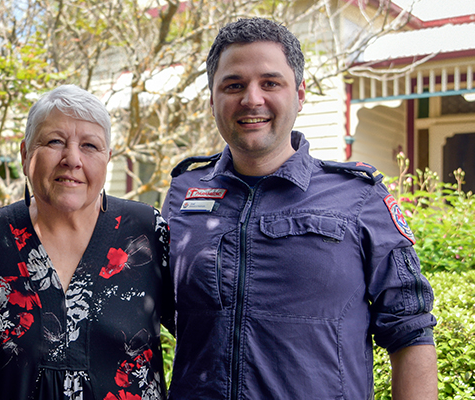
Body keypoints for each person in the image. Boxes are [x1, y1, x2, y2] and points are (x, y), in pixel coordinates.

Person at [163, 18, 438, 400]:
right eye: (234, 85)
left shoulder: (359, 196)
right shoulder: (184, 192)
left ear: (300, 94)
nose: (251, 99)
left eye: (270, 83)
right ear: (213, 98)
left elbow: (410, 328)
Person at [0, 84, 175, 400]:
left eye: (89, 146)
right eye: (55, 141)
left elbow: (207, 335)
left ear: (107, 159)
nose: (72, 159)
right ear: (26, 153)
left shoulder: (146, 232)